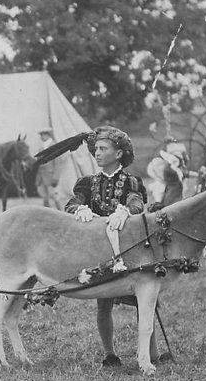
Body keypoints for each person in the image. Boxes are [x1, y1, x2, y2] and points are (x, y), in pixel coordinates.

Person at [65, 126, 164, 367]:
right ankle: (110, 353)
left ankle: (153, 351)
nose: (97, 153)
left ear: (118, 154)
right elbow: (71, 203)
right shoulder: (88, 183)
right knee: (103, 303)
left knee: (146, 300)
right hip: (100, 251)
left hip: (130, 251)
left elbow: (136, 203)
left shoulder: (131, 181)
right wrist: (80, 208)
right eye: (96, 149)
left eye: (103, 149)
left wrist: (126, 210)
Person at [35, 128, 61, 209]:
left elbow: (57, 164)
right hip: (42, 177)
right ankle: (47, 213)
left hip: (50, 176)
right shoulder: (41, 148)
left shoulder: (54, 146)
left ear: (47, 135)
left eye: (42, 135)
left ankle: (60, 212)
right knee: (44, 196)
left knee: (54, 196)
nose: (41, 137)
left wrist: (56, 177)